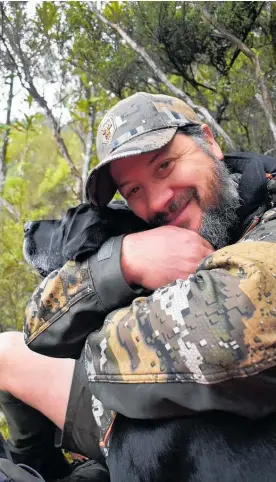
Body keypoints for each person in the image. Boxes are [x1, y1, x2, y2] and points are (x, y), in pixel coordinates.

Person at [1, 92, 276, 480]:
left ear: (209, 142)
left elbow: (232, 332)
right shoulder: (140, 232)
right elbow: (38, 323)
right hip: (136, 424)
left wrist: (90, 344)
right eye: (133, 190)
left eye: (164, 165)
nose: (159, 200)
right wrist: (124, 261)